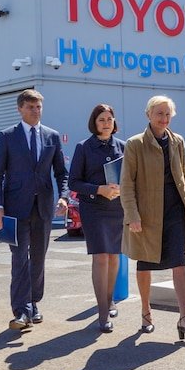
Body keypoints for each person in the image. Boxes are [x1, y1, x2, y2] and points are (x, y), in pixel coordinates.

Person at [0, 89, 69, 331]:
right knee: (19, 258)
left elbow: (61, 173)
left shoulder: (51, 136)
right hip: (15, 208)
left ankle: (34, 303)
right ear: (20, 109)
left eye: (38, 107)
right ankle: (21, 310)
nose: (35, 111)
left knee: (38, 258)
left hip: (43, 208)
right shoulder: (7, 136)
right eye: (30, 107)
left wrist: (63, 197)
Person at [121, 95, 185, 339]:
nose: (163, 118)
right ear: (148, 115)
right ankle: (146, 311)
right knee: (145, 264)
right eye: (159, 114)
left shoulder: (178, 141)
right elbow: (126, 184)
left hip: (175, 211)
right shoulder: (134, 144)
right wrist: (132, 215)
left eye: (167, 114)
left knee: (179, 262)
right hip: (146, 215)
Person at [68, 104, 125, 333]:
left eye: (109, 119)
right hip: (94, 208)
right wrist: (98, 189)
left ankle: (109, 300)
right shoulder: (84, 147)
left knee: (114, 256)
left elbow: (131, 177)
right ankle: (102, 313)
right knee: (101, 257)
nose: (106, 123)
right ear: (94, 122)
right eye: (101, 119)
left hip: (117, 208)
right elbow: (74, 182)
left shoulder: (123, 146)